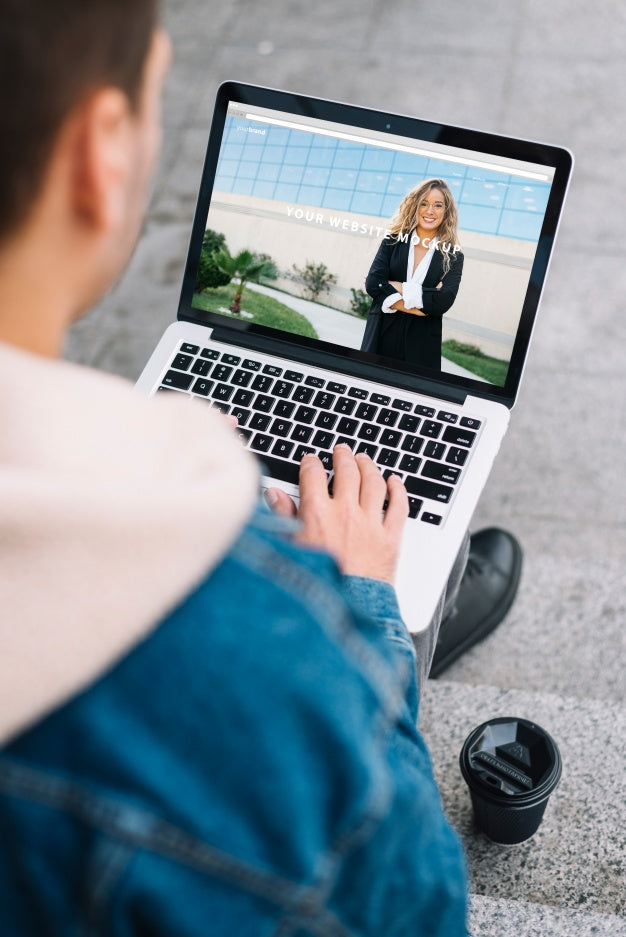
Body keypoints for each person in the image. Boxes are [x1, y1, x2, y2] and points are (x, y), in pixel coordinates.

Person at [0, 2, 522, 934]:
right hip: (311, 643)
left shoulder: (446, 251)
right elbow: (422, 914)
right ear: (102, 154)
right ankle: (411, 614)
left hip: (413, 357)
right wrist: (357, 608)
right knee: (382, 569)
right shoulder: (282, 686)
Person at [361, 179, 464, 372]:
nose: (430, 211)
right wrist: (420, 306)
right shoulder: (392, 241)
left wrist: (396, 287)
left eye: (438, 205)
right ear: (415, 206)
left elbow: (443, 301)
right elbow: (374, 284)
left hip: (421, 346)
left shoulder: (454, 256)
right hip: (381, 335)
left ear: (446, 211)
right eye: (424, 203)